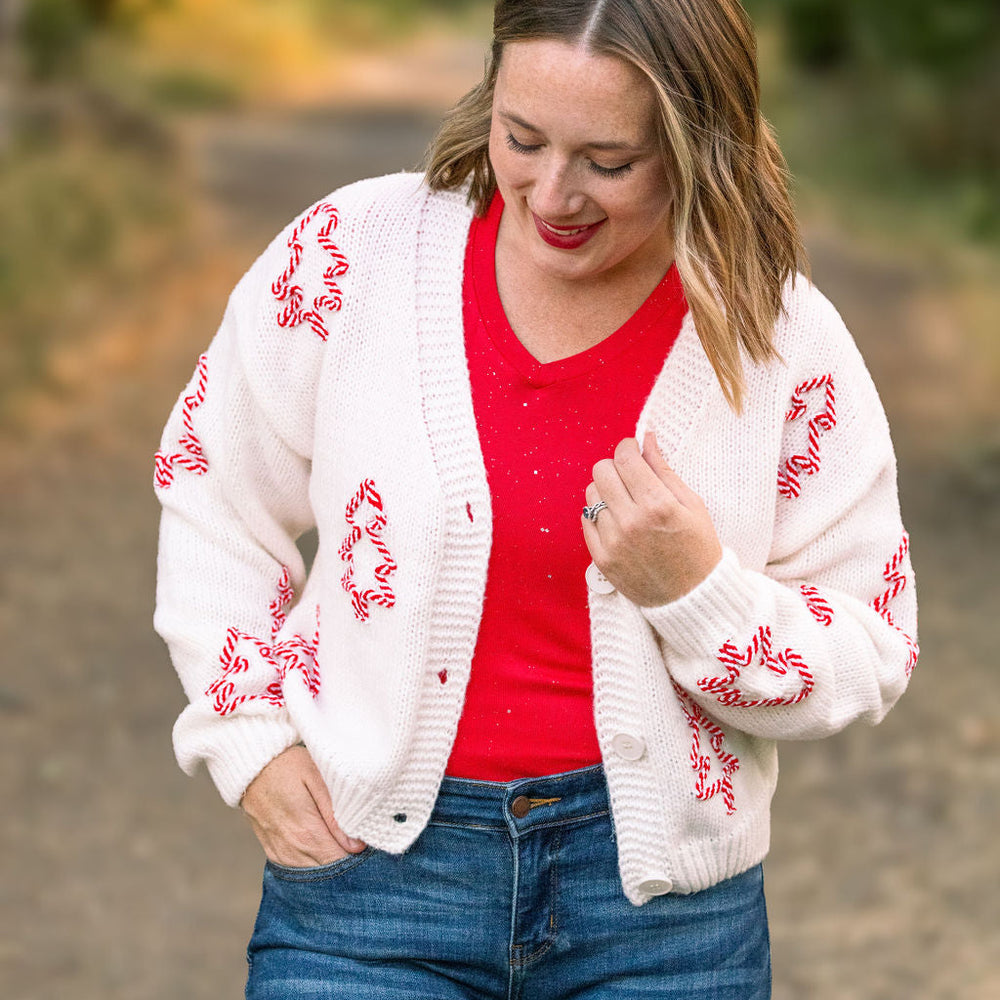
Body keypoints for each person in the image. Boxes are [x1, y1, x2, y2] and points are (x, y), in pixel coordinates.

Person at [153, 1, 918, 997]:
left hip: (661, 925)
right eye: (523, 139)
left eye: (608, 161)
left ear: (698, 149)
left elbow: (873, 643)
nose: (551, 193)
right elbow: (210, 487)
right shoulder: (350, 257)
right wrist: (248, 740)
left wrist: (695, 594)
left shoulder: (776, 342)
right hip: (370, 891)